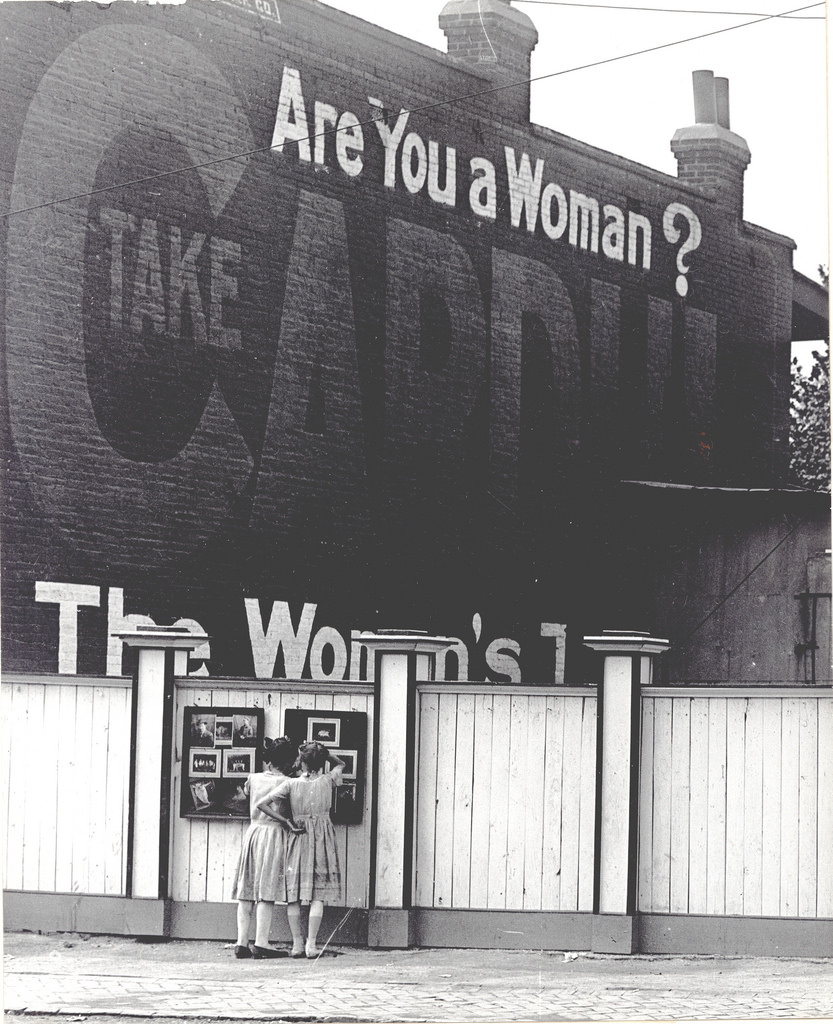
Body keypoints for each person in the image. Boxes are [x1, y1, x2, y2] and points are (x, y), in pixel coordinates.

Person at [256, 741, 345, 959]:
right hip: (322, 839)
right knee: (318, 893)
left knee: (293, 894)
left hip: (298, 836)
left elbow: (262, 804)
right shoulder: (328, 780)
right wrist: (324, 755)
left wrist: (286, 822)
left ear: (302, 762)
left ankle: (297, 944)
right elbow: (340, 763)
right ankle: (311, 945)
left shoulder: (291, 785)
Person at [230, 736, 298, 959]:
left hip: (253, 832)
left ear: (269, 760)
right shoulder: (287, 783)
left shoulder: (253, 778)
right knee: (266, 890)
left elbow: (246, 797)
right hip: (274, 833)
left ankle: (241, 941)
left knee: (247, 887)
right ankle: (261, 942)